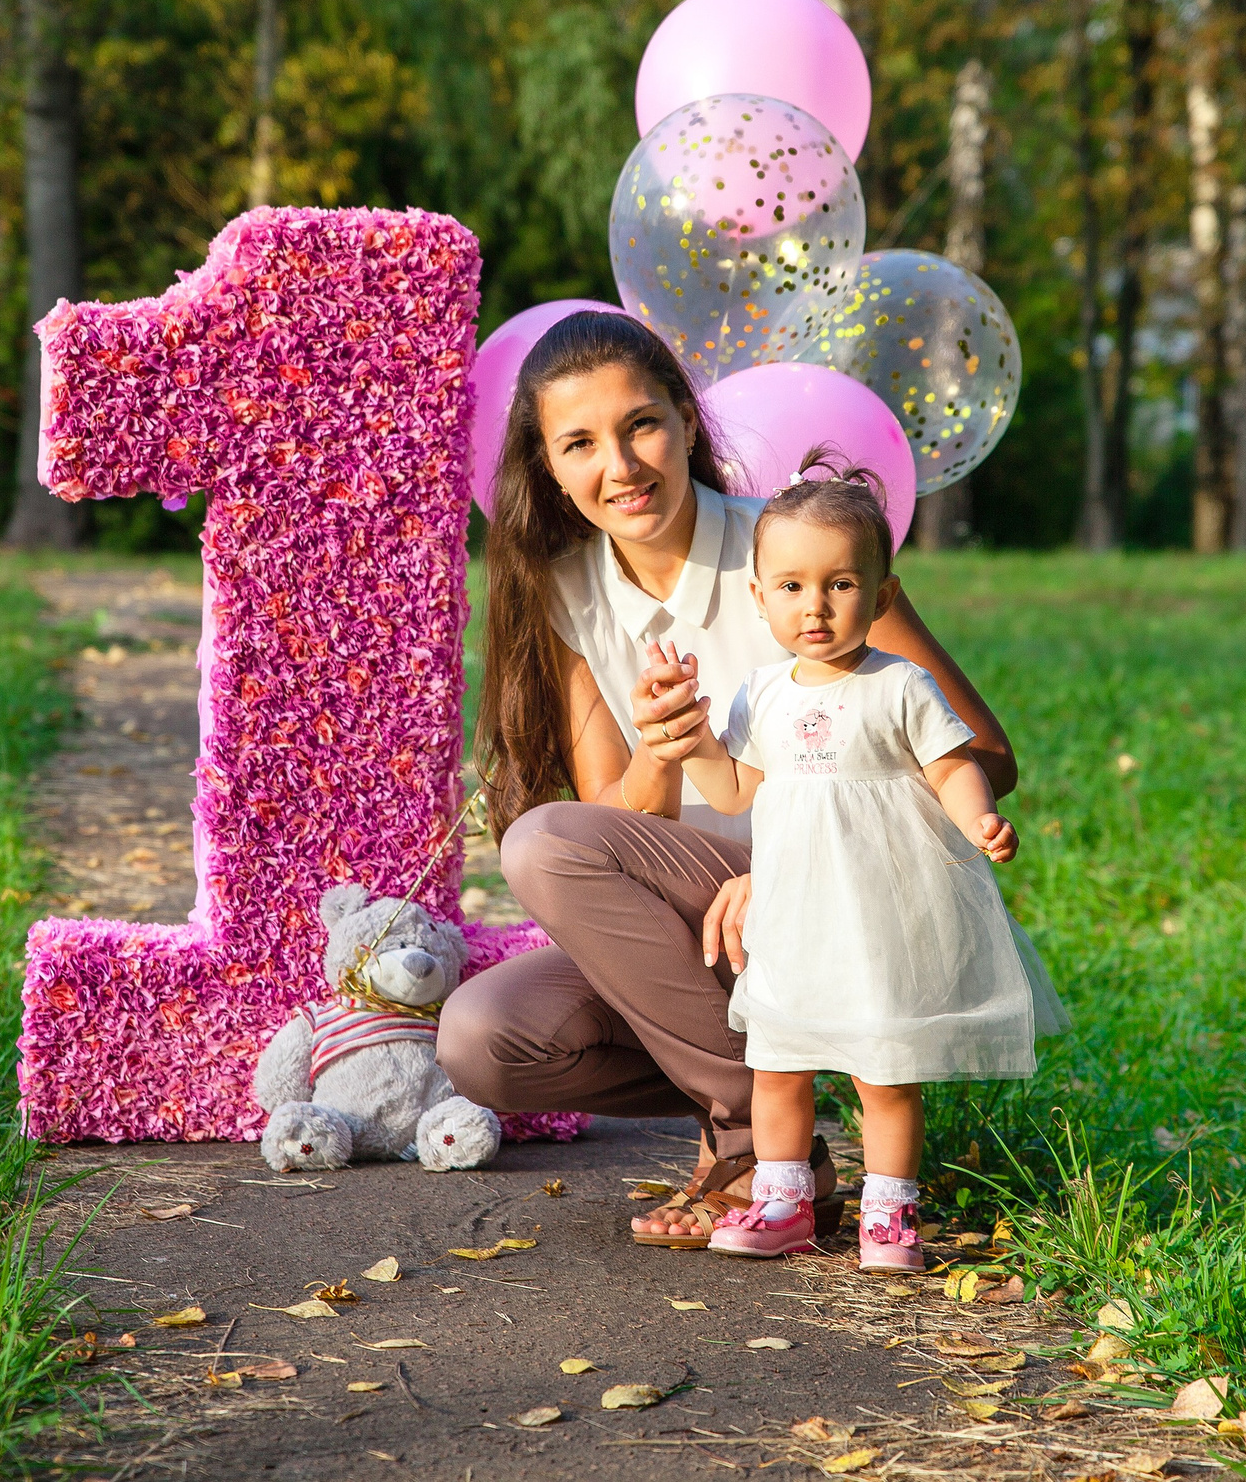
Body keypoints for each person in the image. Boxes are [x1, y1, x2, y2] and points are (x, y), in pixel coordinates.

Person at [437, 310, 1018, 1246]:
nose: (619, 466)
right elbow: (610, 826)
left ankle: (754, 1144)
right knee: (485, 1036)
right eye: (579, 443)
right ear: (547, 466)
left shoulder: (801, 548)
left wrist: (784, 863)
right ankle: (765, 1102)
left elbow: (984, 758)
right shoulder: (567, 589)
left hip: (849, 901)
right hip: (701, 940)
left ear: (688, 421)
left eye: (641, 425)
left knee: (539, 838)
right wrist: (661, 753)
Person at [664, 460, 1067, 1270]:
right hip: (795, 913)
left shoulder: (900, 684)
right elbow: (737, 789)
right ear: (760, 597)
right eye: (791, 586)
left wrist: (978, 815)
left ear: (882, 597)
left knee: (885, 1071)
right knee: (777, 1063)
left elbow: (951, 765)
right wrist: (698, 737)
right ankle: (784, 1202)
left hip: (882, 912)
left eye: (841, 584)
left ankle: (889, 1212)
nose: (814, 605)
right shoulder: (763, 694)